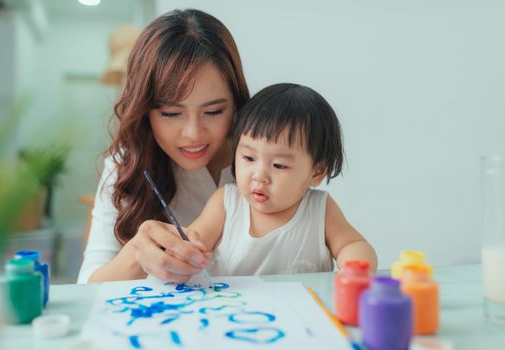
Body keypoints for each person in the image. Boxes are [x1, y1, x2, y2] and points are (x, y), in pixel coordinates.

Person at [77, 9, 250, 283]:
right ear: (145, 111)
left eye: (214, 111)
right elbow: (87, 285)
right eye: (171, 113)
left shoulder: (265, 157)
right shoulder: (126, 165)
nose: (193, 134)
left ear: (236, 102)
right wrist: (136, 254)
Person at [188, 83, 377, 276]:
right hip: (232, 306)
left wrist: (355, 268)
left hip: (302, 306)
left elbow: (353, 244)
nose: (259, 176)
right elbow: (192, 240)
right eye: (249, 158)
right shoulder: (226, 203)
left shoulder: (320, 210)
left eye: (279, 165)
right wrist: (186, 252)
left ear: (316, 172)